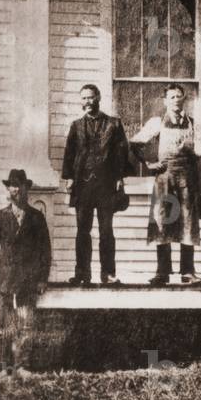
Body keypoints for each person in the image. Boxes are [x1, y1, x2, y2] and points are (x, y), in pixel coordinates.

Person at [131, 83, 201, 286]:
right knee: (163, 221)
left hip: (187, 179)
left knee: (187, 223)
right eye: (172, 97)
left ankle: (188, 272)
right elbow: (135, 145)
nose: (176, 100)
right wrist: (149, 163)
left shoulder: (192, 123)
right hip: (164, 178)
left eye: (179, 97)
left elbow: (200, 158)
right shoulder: (156, 123)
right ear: (165, 101)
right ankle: (162, 272)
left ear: (184, 100)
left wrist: (200, 187)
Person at [61, 84, 130, 286]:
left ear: (98, 97)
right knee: (83, 230)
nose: (88, 102)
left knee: (106, 230)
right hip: (83, 186)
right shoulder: (76, 126)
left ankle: (108, 274)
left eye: (91, 97)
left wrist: (119, 177)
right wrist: (69, 178)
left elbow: (121, 153)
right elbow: (69, 154)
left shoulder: (114, 124)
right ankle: (83, 273)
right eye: (84, 98)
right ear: (80, 101)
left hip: (106, 186)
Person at [0, 169, 51, 371]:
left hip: (28, 281)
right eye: (13, 185)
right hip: (3, 281)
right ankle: (4, 367)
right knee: (2, 326)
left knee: (26, 324)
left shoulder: (37, 218)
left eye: (20, 186)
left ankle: (23, 366)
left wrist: (42, 279)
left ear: (26, 189)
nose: (17, 190)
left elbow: (44, 250)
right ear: (8, 189)